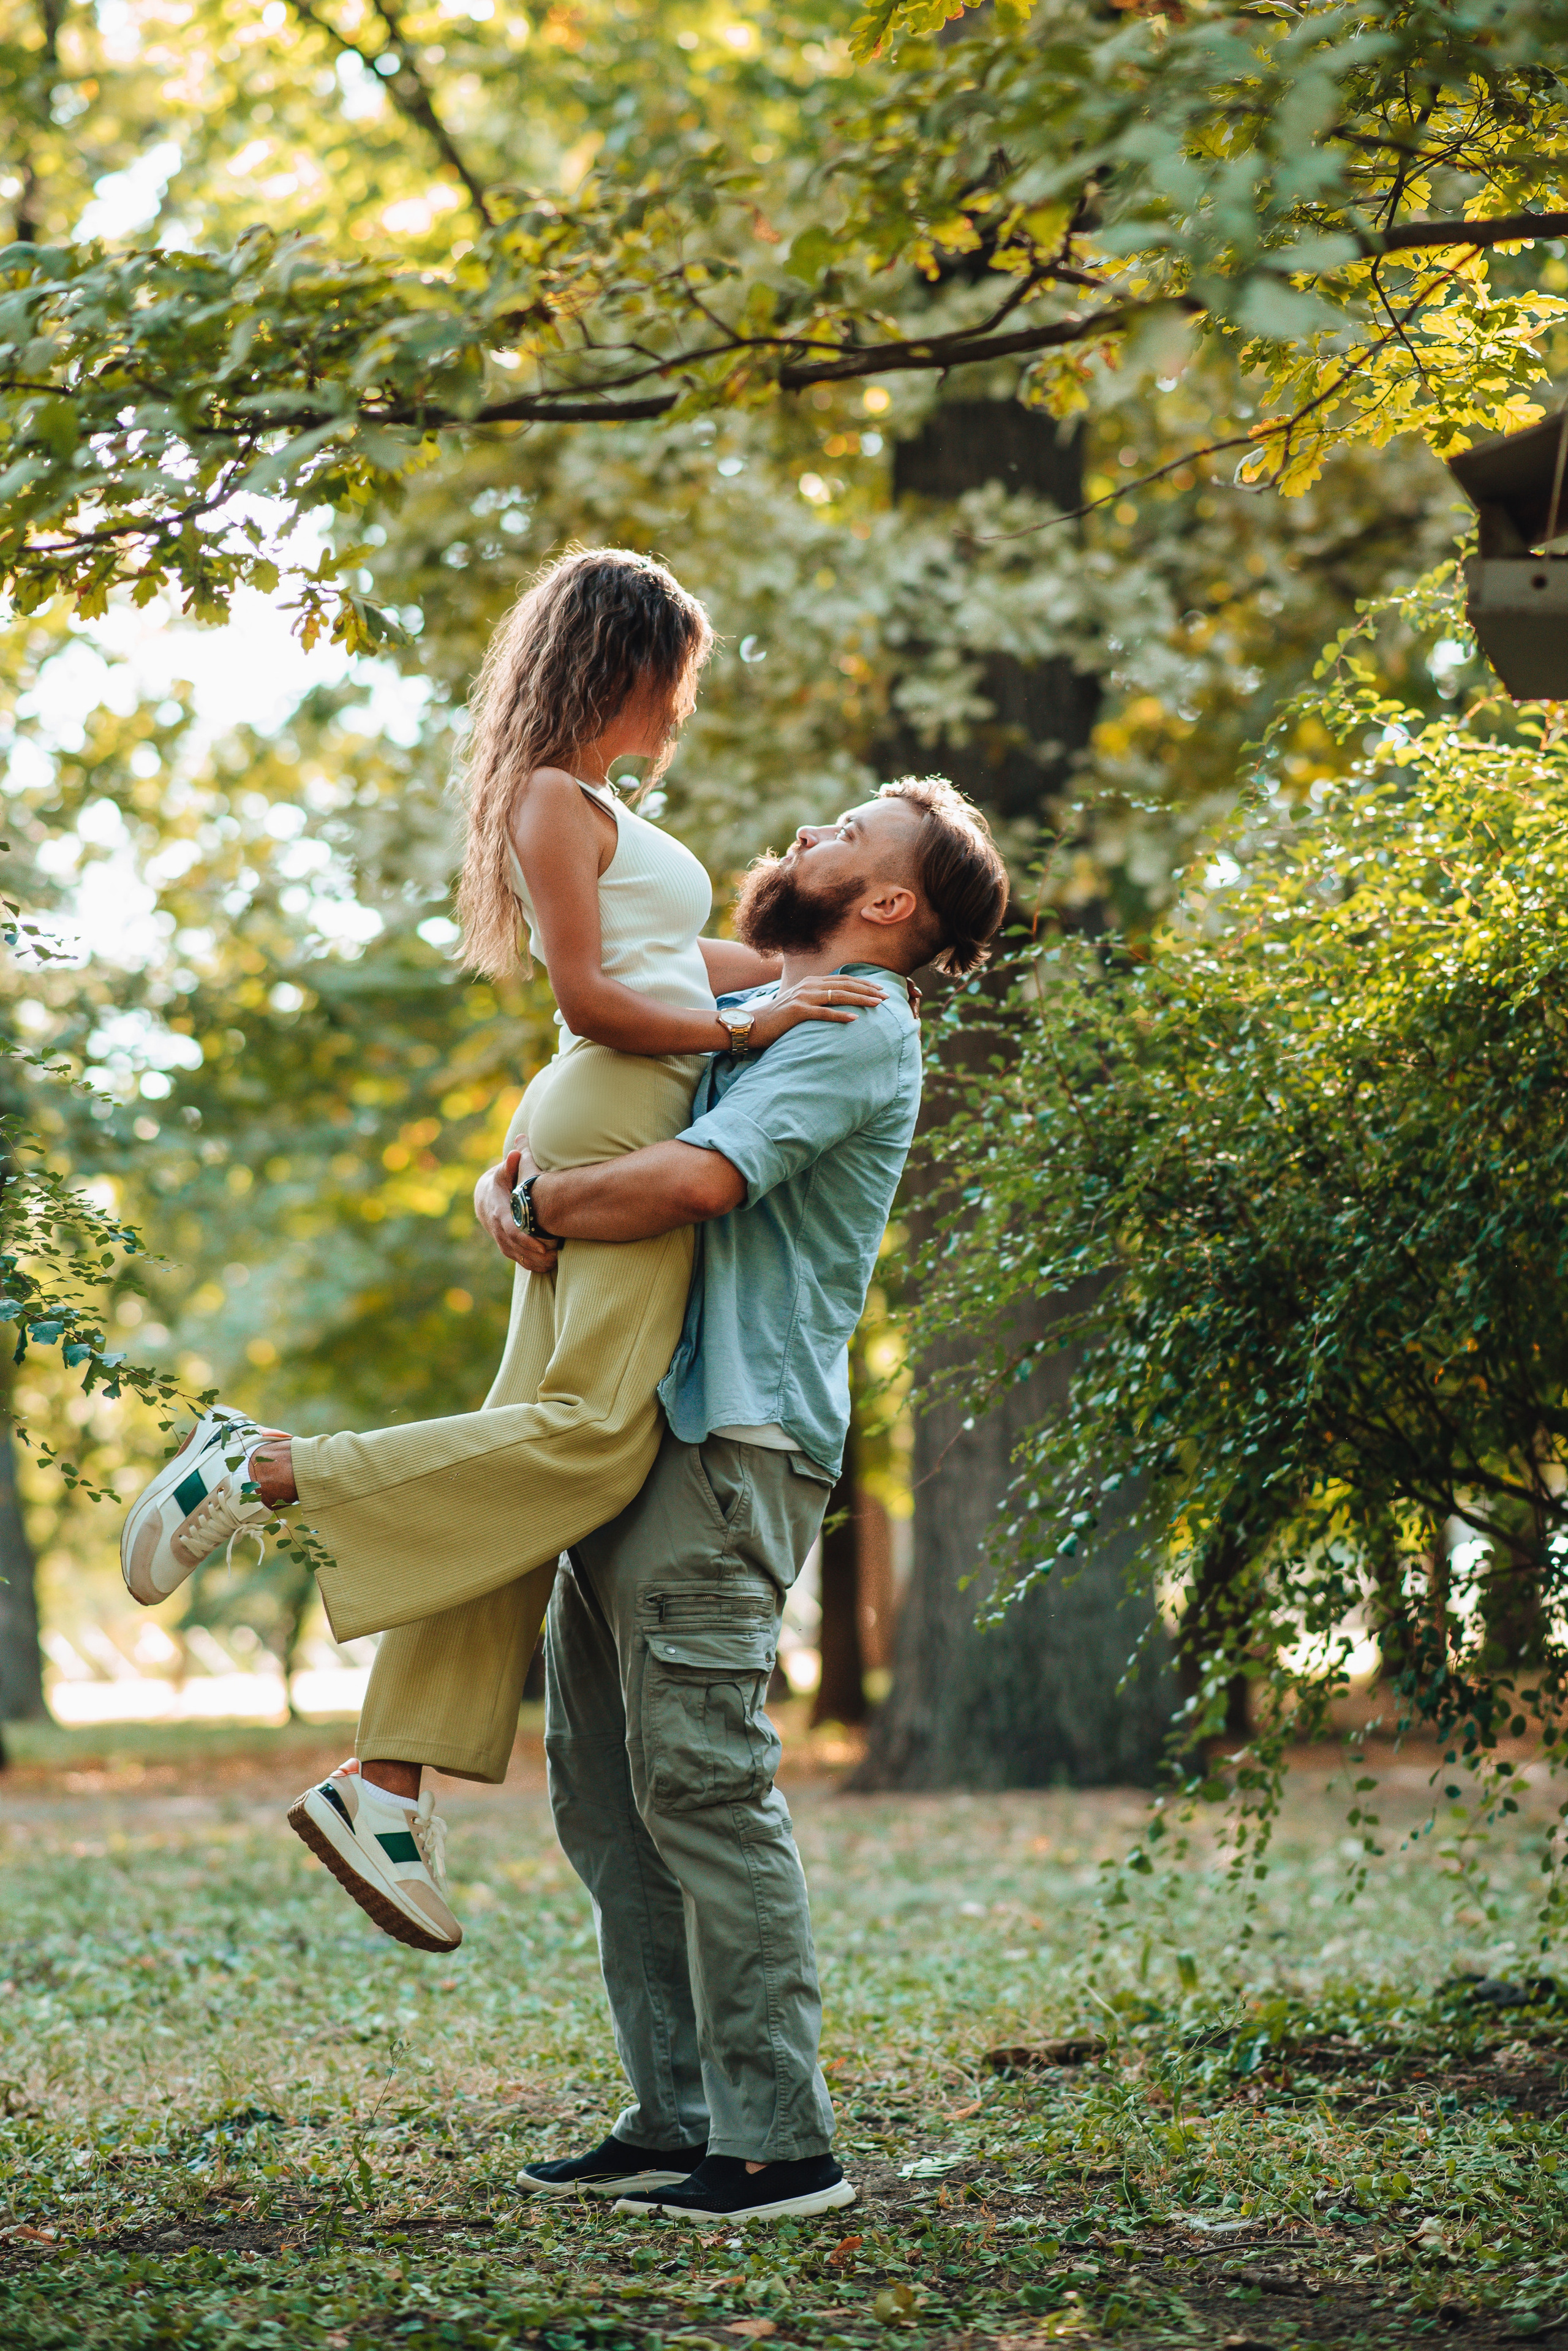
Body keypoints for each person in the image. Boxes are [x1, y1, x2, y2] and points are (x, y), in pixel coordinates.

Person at [117, 546, 883, 1953]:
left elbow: (670, 959)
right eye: (681, 673)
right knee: (590, 1439)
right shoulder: (548, 796)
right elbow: (593, 998)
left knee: (517, 1451)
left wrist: (782, 984)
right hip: (613, 1111)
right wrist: (742, 1031)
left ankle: (388, 1782)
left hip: (602, 1113)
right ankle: (259, 1466)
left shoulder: (598, 804)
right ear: (630, 659)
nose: (685, 703)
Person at [353, 778, 1011, 2225]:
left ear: (889, 904)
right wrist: (508, 1180)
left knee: (702, 1782)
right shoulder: (766, 1002)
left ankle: (779, 2142)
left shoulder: (855, 1021)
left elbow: (698, 1181)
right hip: (632, 1429)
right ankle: (675, 2115)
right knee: (605, 1794)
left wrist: (533, 1202)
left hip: (731, 1444)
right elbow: (614, 1019)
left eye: (846, 832)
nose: (806, 837)